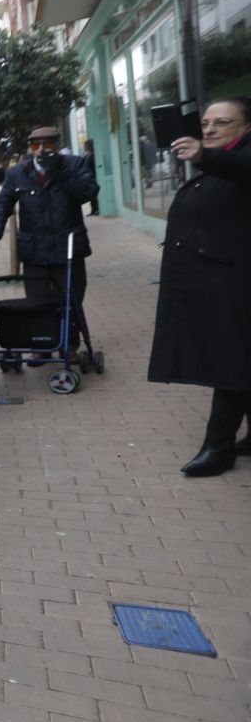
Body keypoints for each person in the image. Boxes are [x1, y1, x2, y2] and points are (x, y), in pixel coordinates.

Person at [150, 97, 251, 476]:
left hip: (239, 282)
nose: (209, 129)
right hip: (220, 279)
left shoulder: (234, 158)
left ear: (246, 127)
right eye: (205, 122)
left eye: (222, 122)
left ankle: (218, 447)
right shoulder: (221, 156)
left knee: (232, 362)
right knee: (239, 358)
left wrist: (206, 157)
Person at [0, 125, 98, 357]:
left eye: (47, 145)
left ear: (57, 145)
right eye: (36, 145)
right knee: (37, 301)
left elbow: (88, 193)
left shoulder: (75, 165)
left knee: (72, 299)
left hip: (68, 247)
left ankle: (70, 346)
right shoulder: (18, 172)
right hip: (34, 249)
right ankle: (42, 346)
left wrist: (60, 173)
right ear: (30, 148)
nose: (41, 150)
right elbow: (4, 205)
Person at [82, 139, 100, 217]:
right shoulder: (87, 155)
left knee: (94, 195)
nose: (84, 147)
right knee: (91, 195)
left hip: (93, 176)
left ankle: (96, 209)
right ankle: (93, 210)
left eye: (85, 145)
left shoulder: (93, 155)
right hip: (89, 177)